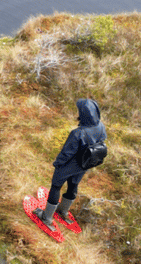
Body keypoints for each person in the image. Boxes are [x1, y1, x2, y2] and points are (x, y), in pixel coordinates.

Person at [33, 99, 108, 231]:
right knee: (73, 185)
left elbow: (67, 153)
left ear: (84, 114)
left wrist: (57, 164)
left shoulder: (78, 133)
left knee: (56, 186)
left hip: (69, 165)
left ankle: (46, 217)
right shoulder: (101, 126)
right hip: (84, 165)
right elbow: (101, 141)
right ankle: (63, 211)